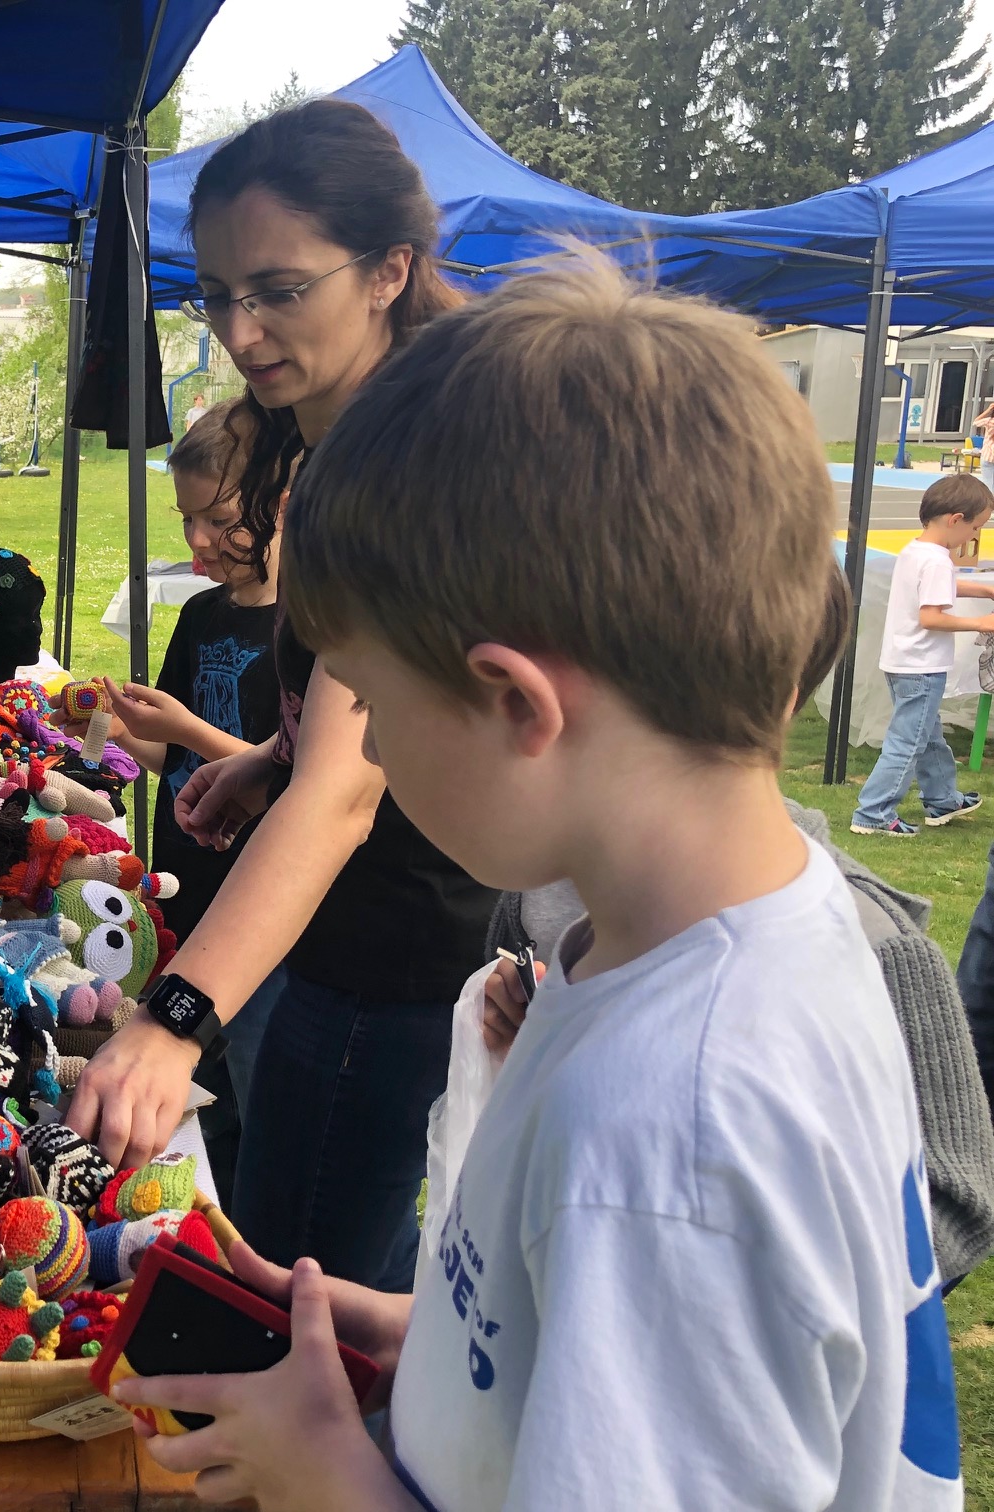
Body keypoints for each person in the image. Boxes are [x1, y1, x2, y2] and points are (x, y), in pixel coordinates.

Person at [113, 263, 961, 1512]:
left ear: (517, 705)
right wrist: (435, 1339)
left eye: (375, 704)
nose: (370, 751)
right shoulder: (718, 949)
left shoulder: (671, 1132)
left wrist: (329, 1479)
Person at [65, 99, 497, 1293]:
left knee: (298, 1283)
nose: (241, 331)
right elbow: (370, 701)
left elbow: (350, 794)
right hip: (363, 933)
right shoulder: (334, 444)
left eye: (280, 290)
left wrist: (172, 1018)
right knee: (357, 1262)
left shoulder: (402, 468)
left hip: (393, 942)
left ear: (389, 271)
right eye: (216, 294)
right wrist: (269, 753)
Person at [491, 798, 994, 1289]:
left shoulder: (863, 937)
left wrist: (710, 1271)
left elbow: (955, 1201)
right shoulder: (541, 890)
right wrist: (519, 1028)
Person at [86, 399, 282, 1195]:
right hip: (185, 897)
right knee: (204, 1106)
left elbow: (296, 779)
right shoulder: (202, 614)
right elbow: (168, 751)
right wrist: (113, 729)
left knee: (261, 1107)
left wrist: (191, 731)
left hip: (258, 917)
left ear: (281, 500)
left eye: (220, 519)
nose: (197, 540)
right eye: (186, 520)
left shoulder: (308, 635)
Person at [849, 471, 994, 837]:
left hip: (902, 662)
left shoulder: (917, 550)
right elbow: (931, 617)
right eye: (976, 527)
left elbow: (939, 587)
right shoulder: (937, 561)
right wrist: (981, 623)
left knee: (928, 735)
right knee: (907, 742)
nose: (975, 536)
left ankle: (943, 799)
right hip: (922, 668)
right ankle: (873, 812)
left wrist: (984, 590)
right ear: (956, 520)